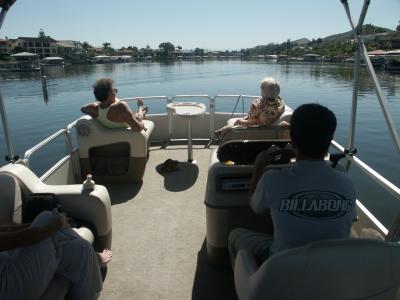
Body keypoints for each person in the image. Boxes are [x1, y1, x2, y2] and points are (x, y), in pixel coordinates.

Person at [228, 103, 356, 268]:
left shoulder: (272, 179)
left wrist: (259, 167)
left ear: (292, 138)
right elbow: (350, 220)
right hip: (330, 268)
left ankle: (250, 283)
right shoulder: (347, 182)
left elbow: (255, 207)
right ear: (329, 141)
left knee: (235, 236)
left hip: (283, 265)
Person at [0, 211, 112, 300]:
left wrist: (40, 226)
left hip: (8, 269)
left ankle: (94, 259)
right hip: (8, 288)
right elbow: (15, 240)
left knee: (80, 248)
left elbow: (6, 230)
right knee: (48, 217)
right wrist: (54, 226)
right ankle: (97, 258)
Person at [215, 77, 288, 138]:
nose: (261, 90)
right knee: (232, 123)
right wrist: (245, 118)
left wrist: (241, 121)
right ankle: (222, 131)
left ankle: (223, 142)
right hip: (257, 124)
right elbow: (256, 117)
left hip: (256, 130)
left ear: (264, 91)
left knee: (227, 129)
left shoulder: (265, 107)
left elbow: (256, 122)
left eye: (262, 88)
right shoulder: (279, 103)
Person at [81, 78, 147, 132]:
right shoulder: (120, 106)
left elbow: (83, 109)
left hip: (110, 139)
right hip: (126, 139)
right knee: (138, 117)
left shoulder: (94, 108)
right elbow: (138, 128)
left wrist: (100, 102)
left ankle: (141, 111)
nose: (116, 92)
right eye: (114, 90)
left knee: (135, 116)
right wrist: (142, 125)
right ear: (109, 93)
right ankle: (141, 108)